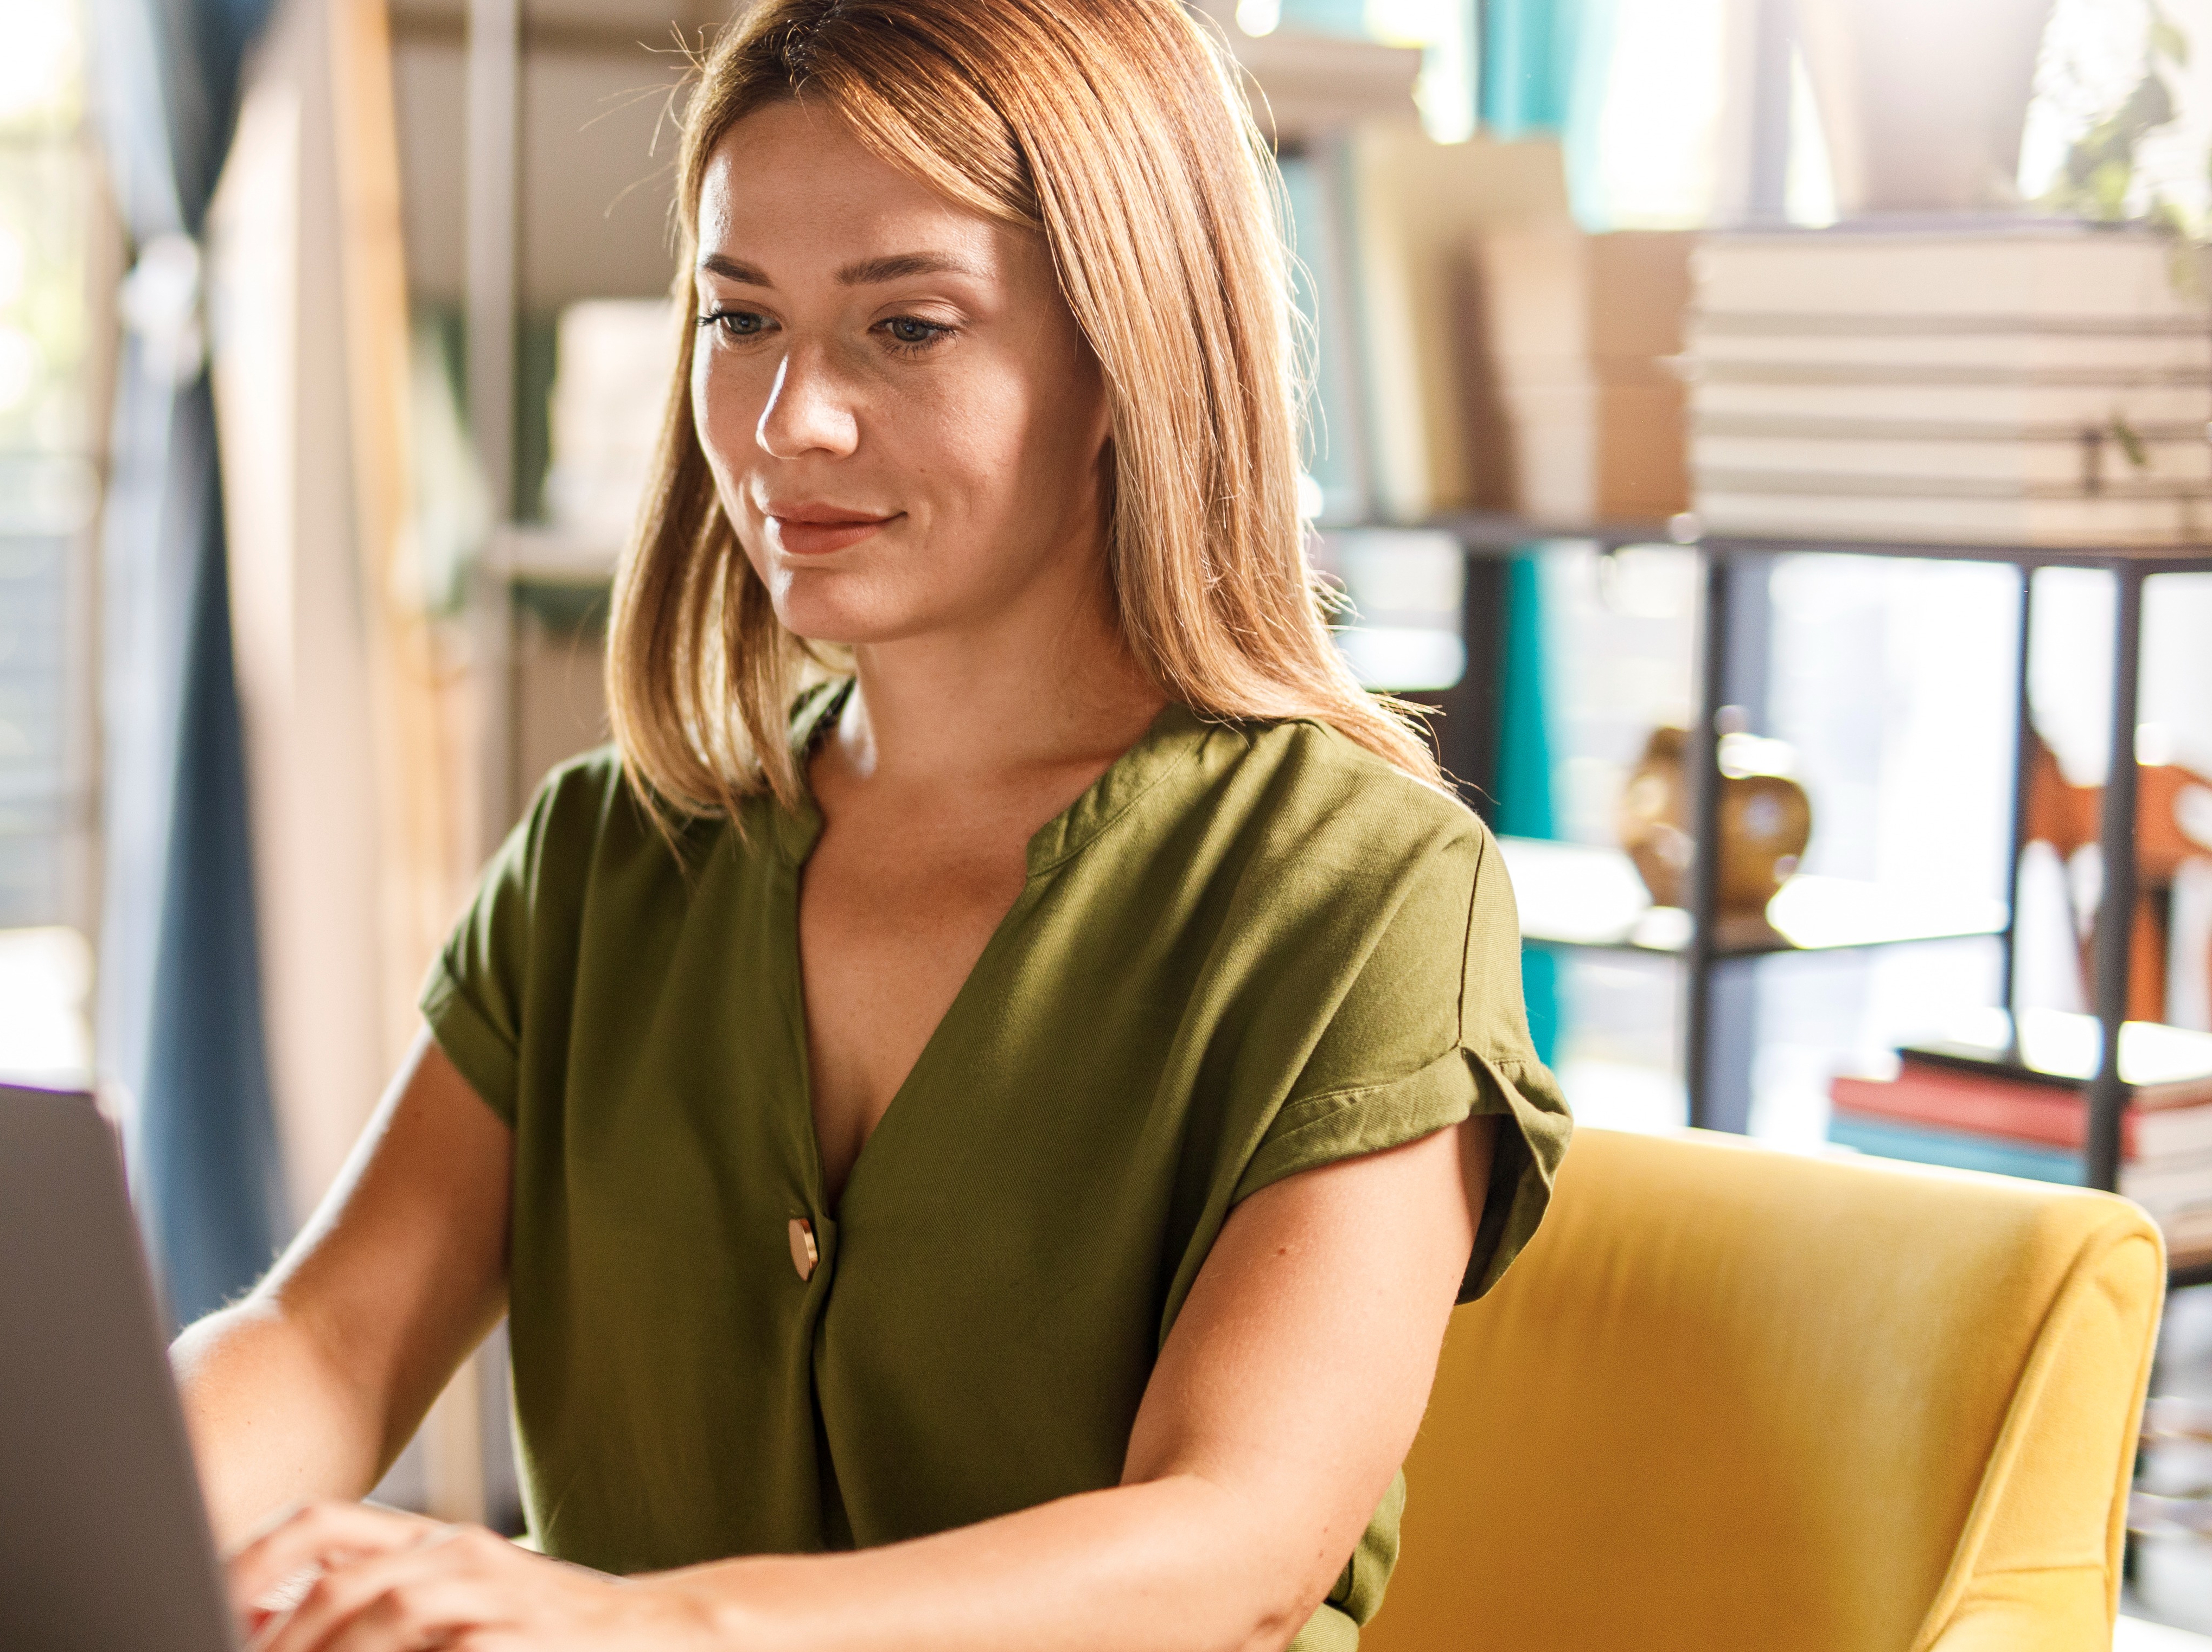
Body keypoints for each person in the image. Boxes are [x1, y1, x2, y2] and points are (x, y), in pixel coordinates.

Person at [169, 2, 1572, 1647]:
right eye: (741, 317)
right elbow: (332, 1342)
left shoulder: (1361, 890)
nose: (786, 425)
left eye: (908, 328)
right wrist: (70, 1509)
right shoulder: (612, 854)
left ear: (1128, 354)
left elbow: (1236, 1537)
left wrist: (649, 1630)